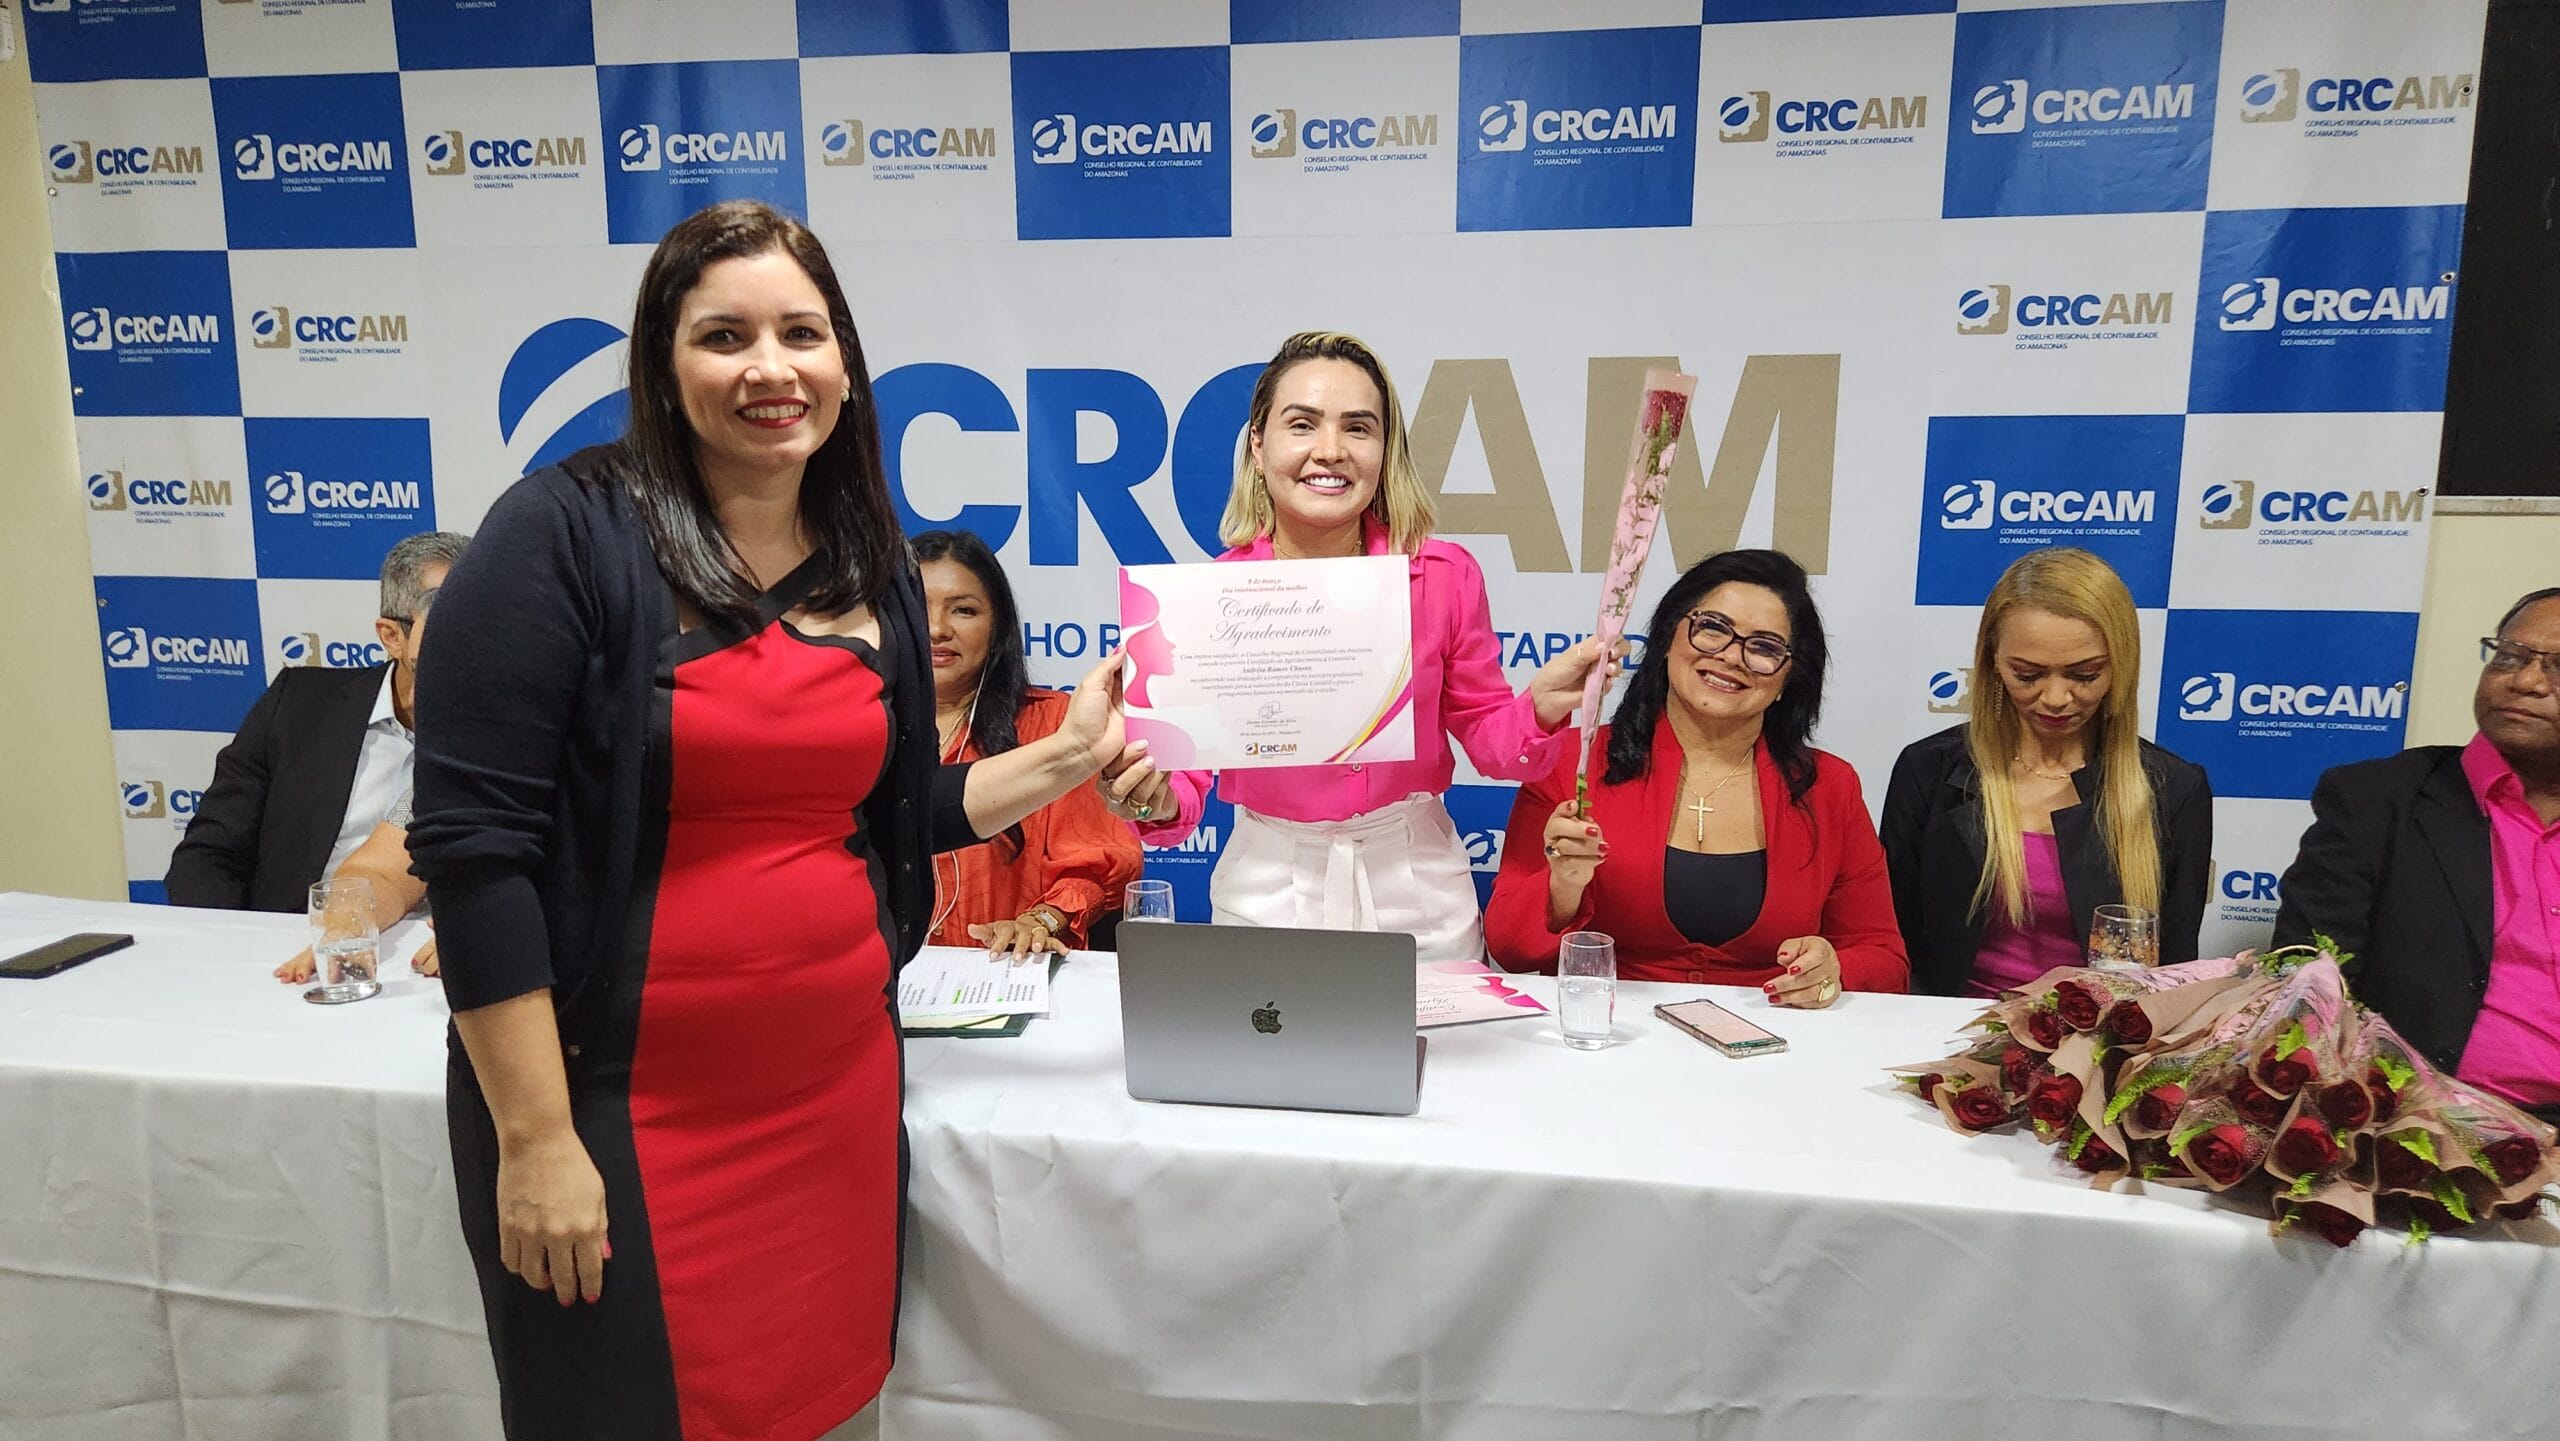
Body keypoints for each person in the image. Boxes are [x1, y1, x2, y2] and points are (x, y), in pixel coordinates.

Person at [403, 200, 1132, 1441]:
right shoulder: (560, 535)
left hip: (830, 1100)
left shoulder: (872, 560)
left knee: (824, 1411)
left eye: (801, 332)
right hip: (615, 1112)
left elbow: (890, 810)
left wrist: (1065, 755)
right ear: (662, 359)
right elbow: (476, 856)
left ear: (844, 361)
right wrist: (534, 1138)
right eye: (723, 335)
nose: (770, 368)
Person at [1103, 331, 1612, 961]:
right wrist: (1151, 799)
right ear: (1258, 445)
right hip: (1266, 886)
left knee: (1440, 1033)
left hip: (1417, 884)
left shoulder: (1443, 576)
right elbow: (1181, 790)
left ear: (1384, 449)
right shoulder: (1207, 599)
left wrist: (1542, 706)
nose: (1331, 450)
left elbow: (1492, 742)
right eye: (1302, 424)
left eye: (1358, 428)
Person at [1484, 550, 1907, 1002]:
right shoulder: (1574, 761)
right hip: (1606, 1030)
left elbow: (1885, 958)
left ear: (1789, 678)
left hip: (1773, 1035)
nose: (1732, 657)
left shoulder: (1830, 786)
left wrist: (1833, 970)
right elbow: (1509, 947)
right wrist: (1563, 885)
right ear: (1668, 637)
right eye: (1713, 629)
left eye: (1764, 647)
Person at [2274, 587, 2560, 1118]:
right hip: (2419, 1121)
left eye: (2558, 667)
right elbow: (2308, 985)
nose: (2525, 681)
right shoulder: (2376, 802)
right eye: (2509, 656)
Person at [1880, 548, 2212, 997]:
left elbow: (2175, 973)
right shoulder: (1928, 771)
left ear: (2122, 665)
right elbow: (1892, 942)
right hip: (1943, 1026)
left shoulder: (2174, 790)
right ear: (1993, 663)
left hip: (2098, 1033)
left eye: (2085, 674)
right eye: (2027, 674)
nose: (2056, 698)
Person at [165, 531, 467, 912]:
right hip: (303, 934)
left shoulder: (512, 731)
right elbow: (208, 855)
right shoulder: (298, 706)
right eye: (441, 611)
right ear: (392, 636)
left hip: (443, 940)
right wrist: (243, 942)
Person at [912, 527, 1142, 957]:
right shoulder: (854, 730)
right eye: (917, 608)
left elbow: (1097, 861)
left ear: (997, 625)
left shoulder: (1058, 724)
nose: (938, 629)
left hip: (1009, 970)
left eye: (963, 610)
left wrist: (1040, 921)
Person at [275, 577, 453, 983]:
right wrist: (344, 928)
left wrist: (503, 924)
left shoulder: (587, 751)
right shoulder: (453, 770)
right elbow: (381, 872)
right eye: (421, 669)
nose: (420, 695)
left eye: (450, 670)